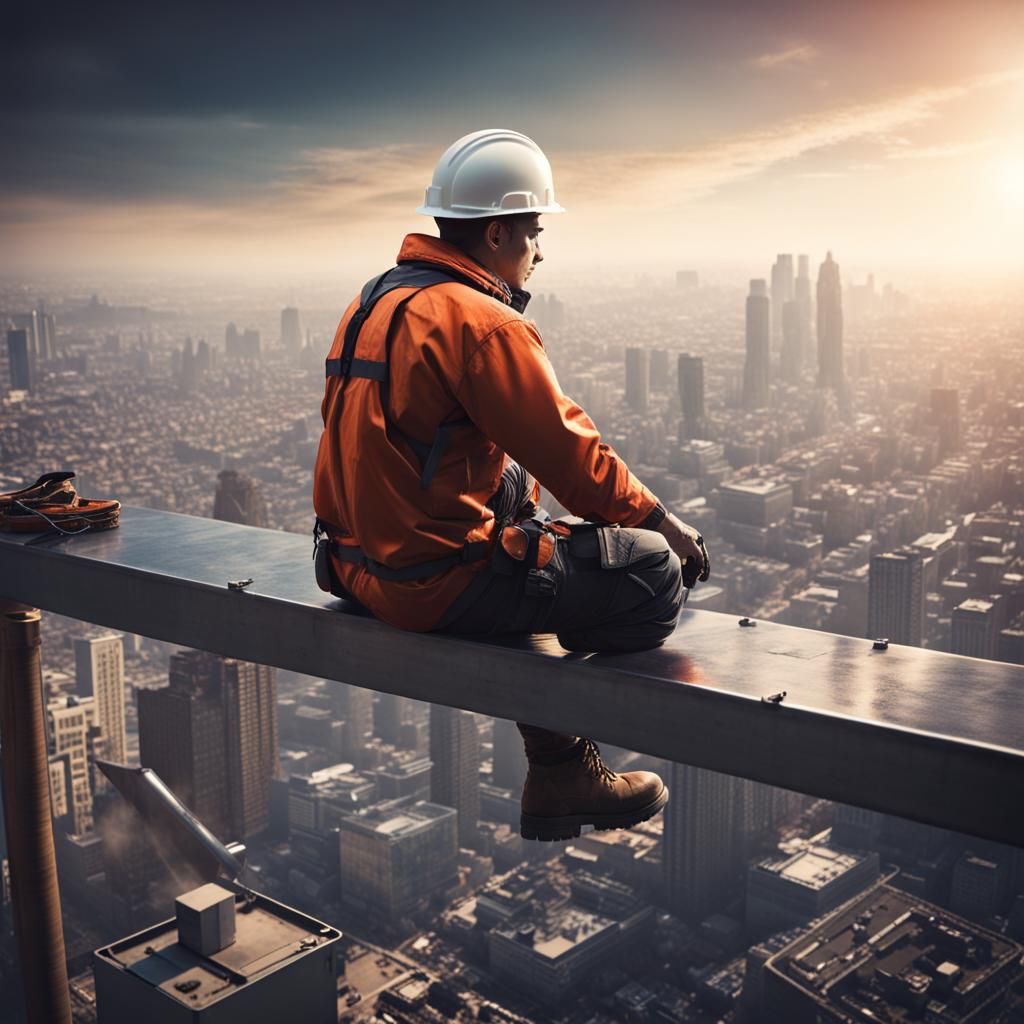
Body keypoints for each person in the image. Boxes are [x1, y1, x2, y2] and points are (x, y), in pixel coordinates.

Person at [312, 129, 709, 841]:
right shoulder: (482, 321)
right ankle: (564, 767)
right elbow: (572, 453)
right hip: (427, 583)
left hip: (349, 564)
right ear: (497, 233)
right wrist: (663, 525)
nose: (539, 250)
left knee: (513, 483)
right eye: (532, 232)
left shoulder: (373, 302)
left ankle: (556, 760)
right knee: (650, 574)